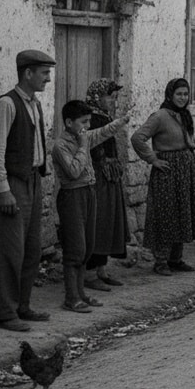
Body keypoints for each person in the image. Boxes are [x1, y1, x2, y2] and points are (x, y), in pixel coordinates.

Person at [0, 49, 56, 332]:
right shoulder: (7, 104)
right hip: (12, 183)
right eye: (43, 73)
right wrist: (3, 190)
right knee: (9, 250)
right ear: (27, 73)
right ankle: (4, 312)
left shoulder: (34, 105)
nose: (47, 80)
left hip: (32, 180)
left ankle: (22, 305)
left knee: (31, 248)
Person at [52, 99, 129, 312]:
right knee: (75, 248)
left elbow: (103, 132)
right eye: (83, 122)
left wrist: (122, 121)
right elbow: (74, 171)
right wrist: (84, 146)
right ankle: (71, 297)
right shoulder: (61, 145)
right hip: (72, 196)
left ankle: (81, 294)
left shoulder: (83, 136)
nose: (87, 127)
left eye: (88, 122)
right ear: (69, 122)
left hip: (89, 193)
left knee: (86, 246)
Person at [131, 78, 195, 275]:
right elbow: (138, 137)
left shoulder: (184, 115)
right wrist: (153, 159)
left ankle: (176, 259)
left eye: (185, 94)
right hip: (168, 172)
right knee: (166, 213)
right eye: (179, 94)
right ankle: (161, 261)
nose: (182, 98)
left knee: (182, 211)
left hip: (185, 170)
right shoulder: (160, 116)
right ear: (170, 95)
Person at [84, 78, 131, 292]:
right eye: (108, 96)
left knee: (109, 222)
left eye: (113, 97)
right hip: (97, 176)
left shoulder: (104, 117)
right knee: (98, 222)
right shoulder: (90, 118)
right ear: (97, 97)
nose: (111, 101)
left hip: (110, 175)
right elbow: (91, 145)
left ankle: (102, 270)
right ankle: (89, 273)